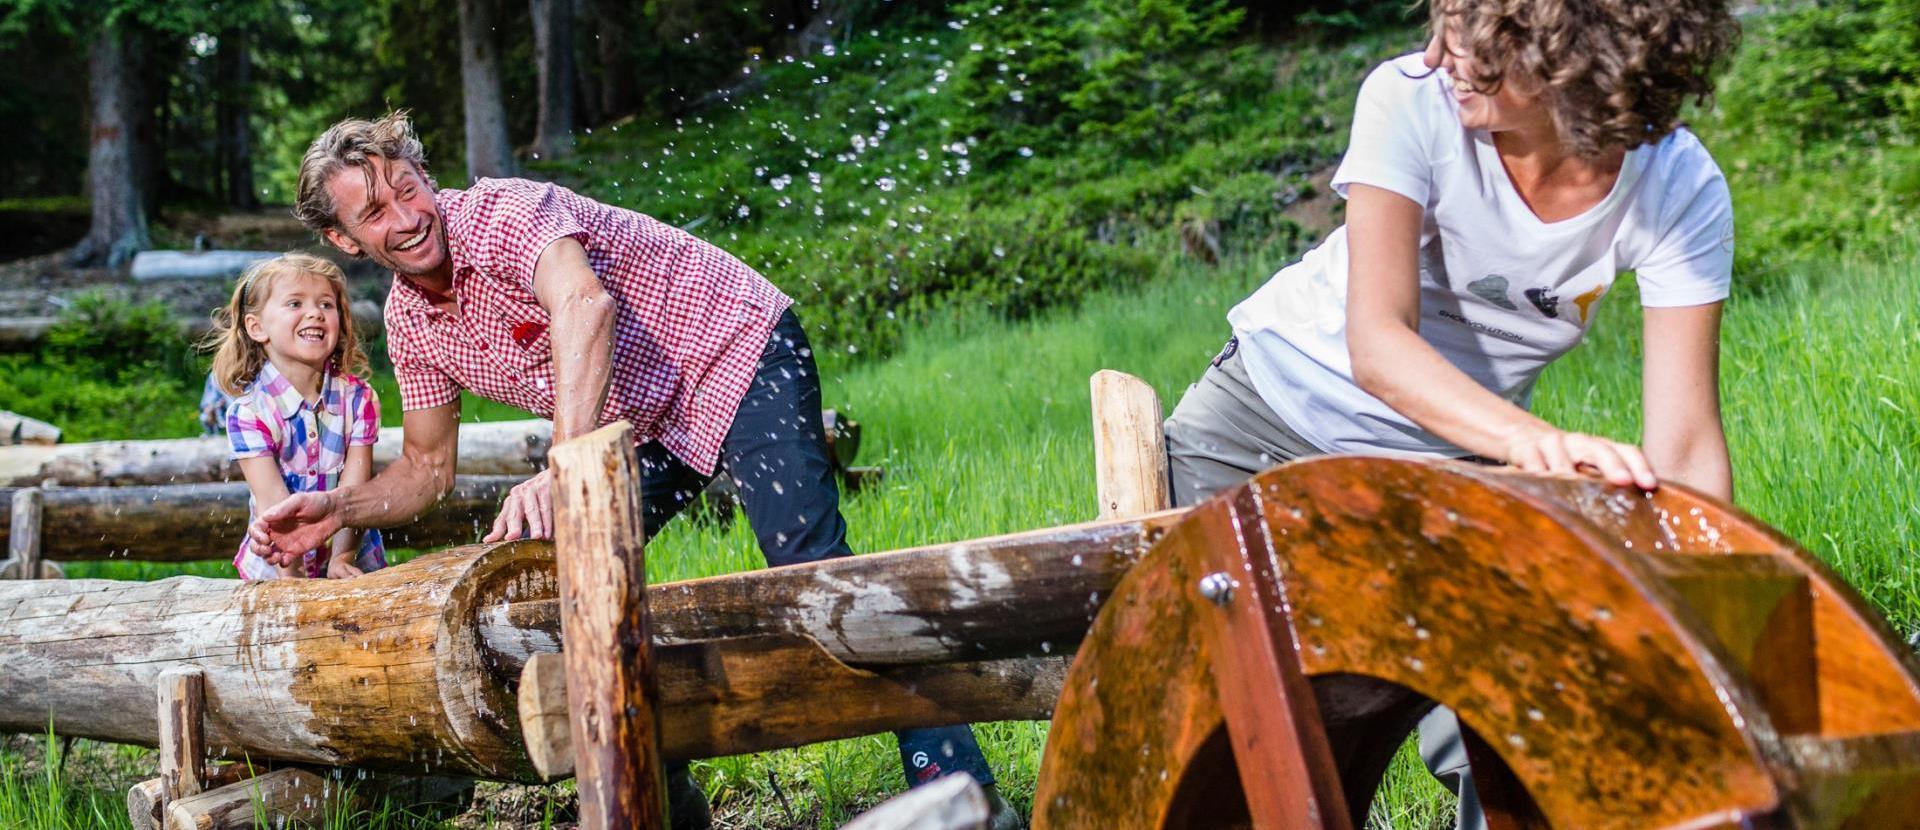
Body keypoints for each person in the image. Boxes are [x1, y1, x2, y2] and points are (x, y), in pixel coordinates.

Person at [246, 112, 1015, 829]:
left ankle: (968, 796)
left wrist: (566, 462)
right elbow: (424, 466)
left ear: (424, 175)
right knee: (558, 588)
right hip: (651, 423)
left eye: (408, 189)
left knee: (811, 570)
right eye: (374, 213)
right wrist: (340, 509)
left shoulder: (506, 213)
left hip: (739, 348)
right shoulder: (413, 324)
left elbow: (584, 306)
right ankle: (660, 801)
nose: (406, 217)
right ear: (345, 239)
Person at [1161, 1, 1740, 827]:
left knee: (1536, 704)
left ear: (1577, 60)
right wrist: (1536, 445)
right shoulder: (1410, 100)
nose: (1440, 56)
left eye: (1475, 38)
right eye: (1445, 22)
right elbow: (1378, 343)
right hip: (1263, 427)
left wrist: (1707, 624)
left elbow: (1683, 445)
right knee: (1223, 740)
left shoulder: (1676, 184)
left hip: (1452, 463)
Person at [206, 253, 385, 581]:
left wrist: (341, 559)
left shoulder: (359, 400)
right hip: (279, 566)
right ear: (257, 327)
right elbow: (274, 505)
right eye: (295, 303)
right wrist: (295, 583)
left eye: (326, 305)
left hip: (352, 555)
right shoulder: (249, 413)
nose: (315, 313)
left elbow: (355, 492)